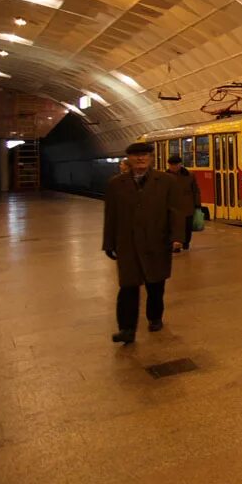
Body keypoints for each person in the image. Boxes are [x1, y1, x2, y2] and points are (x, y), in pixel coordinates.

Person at [103, 142, 185, 344]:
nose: (140, 159)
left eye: (145, 155)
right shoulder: (116, 184)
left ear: (151, 158)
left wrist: (177, 238)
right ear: (129, 159)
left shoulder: (166, 181)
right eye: (136, 155)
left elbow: (175, 211)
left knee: (156, 285)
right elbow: (111, 215)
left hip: (157, 241)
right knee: (128, 288)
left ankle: (155, 318)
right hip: (128, 244)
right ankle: (127, 329)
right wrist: (108, 243)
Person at [166, 154, 201, 250]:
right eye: (171, 165)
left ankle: (186, 244)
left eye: (175, 165)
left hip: (187, 206)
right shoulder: (165, 176)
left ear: (180, 164)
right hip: (172, 207)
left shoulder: (189, 175)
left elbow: (195, 190)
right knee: (173, 227)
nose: (173, 167)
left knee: (187, 227)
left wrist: (197, 205)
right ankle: (175, 245)